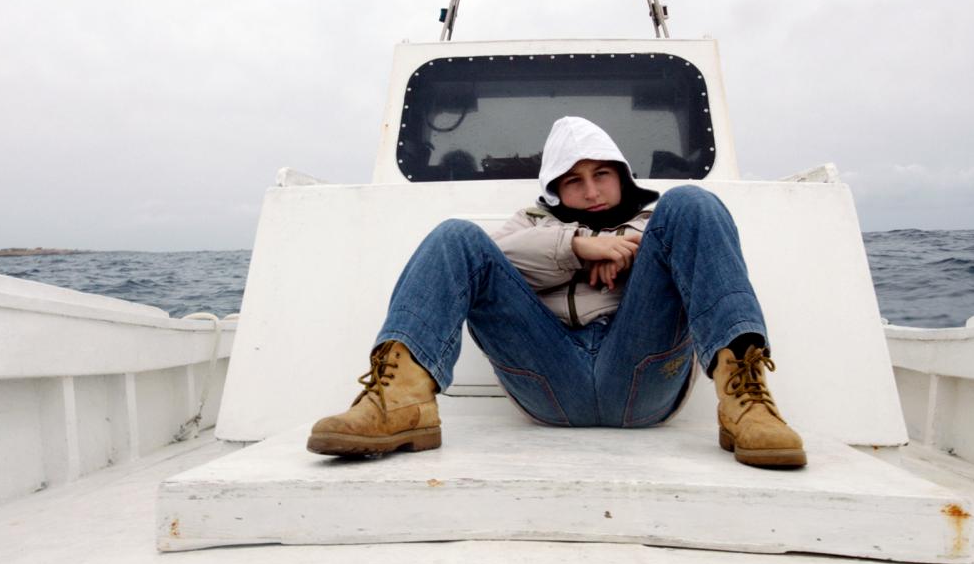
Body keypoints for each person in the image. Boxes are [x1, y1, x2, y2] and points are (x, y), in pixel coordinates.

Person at [306, 116, 806, 468]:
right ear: (555, 189)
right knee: (455, 236)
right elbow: (493, 259)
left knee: (694, 202)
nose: (590, 192)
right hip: (548, 379)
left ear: (621, 174)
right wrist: (582, 245)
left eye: (601, 175)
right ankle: (401, 403)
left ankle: (745, 403)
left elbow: (678, 241)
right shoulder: (530, 222)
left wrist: (634, 245)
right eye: (574, 181)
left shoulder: (660, 219)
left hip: (641, 373)